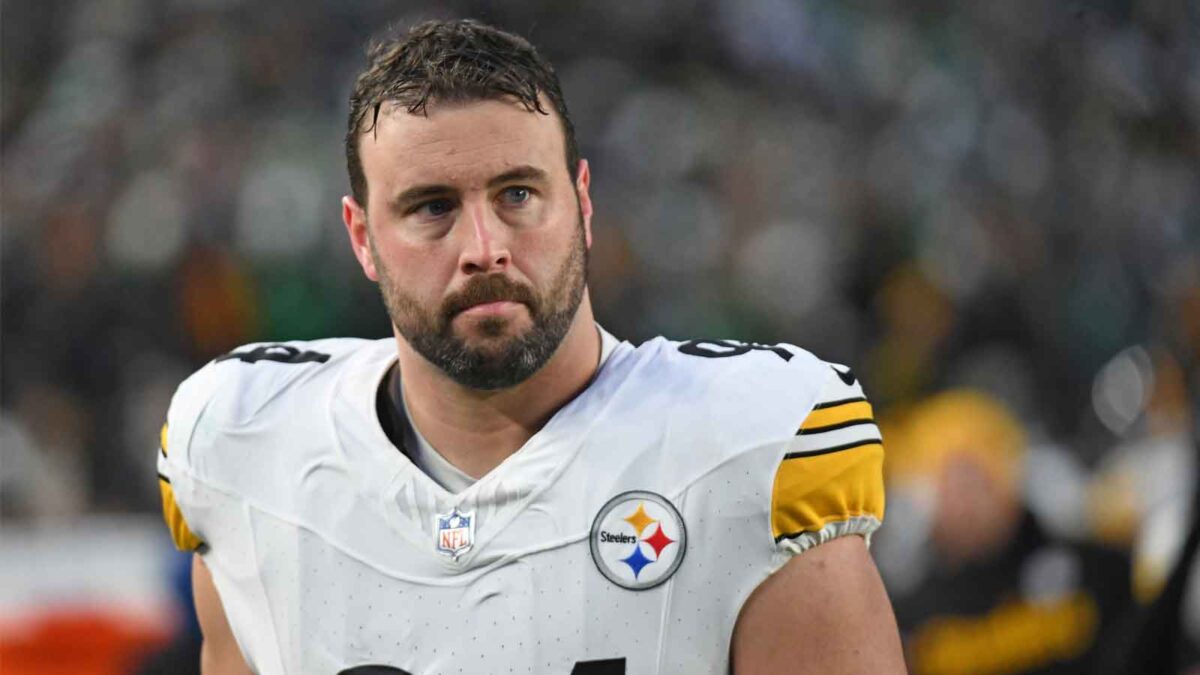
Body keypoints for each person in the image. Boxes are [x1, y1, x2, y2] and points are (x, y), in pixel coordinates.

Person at [155, 18, 904, 674]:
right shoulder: (243, 440)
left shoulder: (749, 445)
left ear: (582, 202)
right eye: (432, 207)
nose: (484, 247)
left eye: (517, 194)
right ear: (361, 238)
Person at [887, 390, 1133, 675]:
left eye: (972, 481)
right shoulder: (915, 618)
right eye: (945, 488)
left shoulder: (1094, 570)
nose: (963, 506)